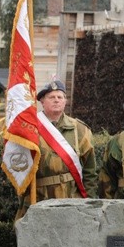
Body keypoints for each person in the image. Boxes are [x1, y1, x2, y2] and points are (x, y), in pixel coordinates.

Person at [16, 80, 97, 220]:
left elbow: (90, 169)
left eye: (60, 97)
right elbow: (19, 166)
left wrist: (89, 200)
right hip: (40, 197)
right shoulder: (30, 128)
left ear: (65, 101)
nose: (56, 100)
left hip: (72, 198)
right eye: (51, 97)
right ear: (42, 101)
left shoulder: (80, 129)